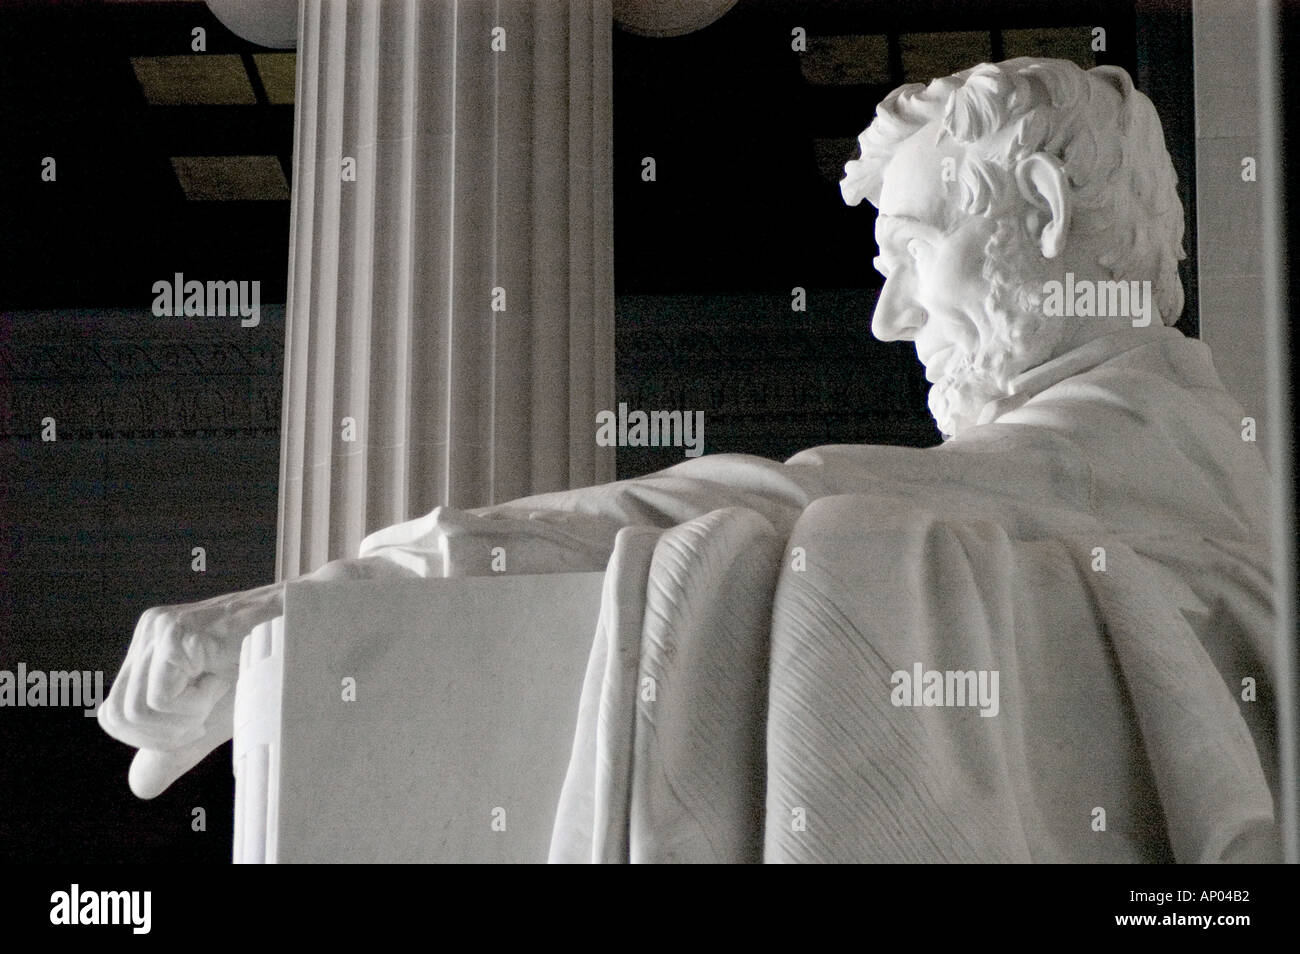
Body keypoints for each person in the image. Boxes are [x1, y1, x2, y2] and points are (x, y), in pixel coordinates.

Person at [99, 59, 1278, 862]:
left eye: (912, 255)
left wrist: (317, 605)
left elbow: (777, 495)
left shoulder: (1139, 445)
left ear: (1040, 206)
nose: (890, 319)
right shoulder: (1169, 449)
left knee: (838, 548)